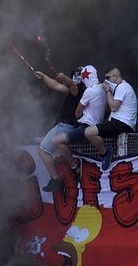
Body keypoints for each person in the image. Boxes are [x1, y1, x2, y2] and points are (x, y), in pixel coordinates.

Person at [34, 66, 105, 195]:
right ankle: (72, 167)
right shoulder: (79, 89)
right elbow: (56, 85)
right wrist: (44, 76)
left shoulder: (80, 89)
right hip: (66, 125)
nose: (76, 78)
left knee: (43, 150)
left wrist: (64, 77)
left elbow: (72, 85)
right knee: (58, 146)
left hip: (65, 124)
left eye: (79, 75)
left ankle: (57, 178)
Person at [85, 67, 138, 168]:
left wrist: (107, 91)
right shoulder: (121, 87)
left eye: (107, 78)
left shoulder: (123, 87)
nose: (106, 81)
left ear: (114, 77)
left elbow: (113, 107)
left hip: (123, 123)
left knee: (88, 132)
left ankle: (105, 154)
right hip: (120, 122)